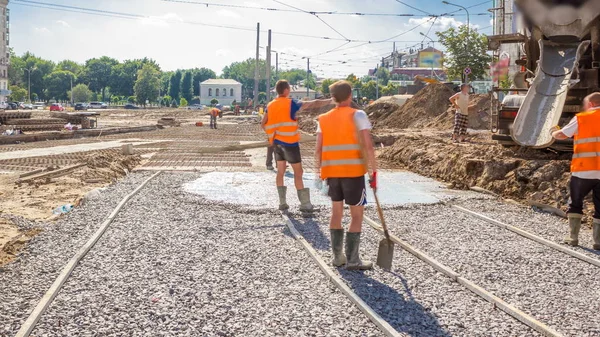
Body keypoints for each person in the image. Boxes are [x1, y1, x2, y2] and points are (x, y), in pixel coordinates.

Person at [314, 80, 377, 270]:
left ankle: (337, 257)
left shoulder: (323, 119)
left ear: (333, 98)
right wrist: (373, 171)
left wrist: (318, 173)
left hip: (332, 173)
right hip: (353, 172)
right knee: (356, 215)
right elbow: (368, 146)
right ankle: (353, 260)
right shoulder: (358, 114)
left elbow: (318, 150)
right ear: (350, 95)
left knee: (336, 213)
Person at [261, 79, 332, 211]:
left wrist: (272, 136)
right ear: (286, 90)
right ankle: (305, 204)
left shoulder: (270, 105)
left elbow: (263, 123)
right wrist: (330, 100)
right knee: (298, 172)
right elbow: (313, 103)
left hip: (277, 144)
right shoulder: (291, 103)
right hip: (290, 144)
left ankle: (282, 203)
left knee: (280, 172)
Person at [552, 92, 600, 250]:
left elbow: (562, 135)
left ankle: (573, 238)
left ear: (591, 104)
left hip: (583, 170)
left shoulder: (582, 118)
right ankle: (598, 242)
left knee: (576, 203)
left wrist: (553, 131)